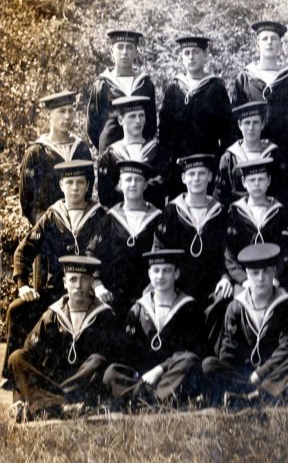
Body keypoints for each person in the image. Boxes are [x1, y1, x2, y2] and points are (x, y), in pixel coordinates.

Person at [5, 161, 105, 383]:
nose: (75, 188)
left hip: (86, 291)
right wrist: (23, 285)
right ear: (61, 185)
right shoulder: (52, 217)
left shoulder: (99, 216)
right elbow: (24, 250)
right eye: (70, 183)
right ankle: (12, 375)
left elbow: (107, 255)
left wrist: (98, 283)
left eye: (80, 182)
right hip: (54, 292)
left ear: (88, 185)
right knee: (18, 309)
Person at [8, 256, 117, 421]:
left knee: (98, 361)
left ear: (91, 282)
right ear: (65, 283)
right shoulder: (52, 316)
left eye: (84, 280)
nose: (78, 286)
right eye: (73, 280)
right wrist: (21, 394)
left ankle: (45, 404)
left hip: (84, 383)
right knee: (16, 357)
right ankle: (61, 406)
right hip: (53, 379)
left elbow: (114, 358)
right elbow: (29, 353)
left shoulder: (104, 315)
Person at [202, 244, 288, 405]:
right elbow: (229, 349)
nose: (261, 278)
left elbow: (286, 347)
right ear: (247, 274)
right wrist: (233, 373)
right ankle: (260, 394)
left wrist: (261, 372)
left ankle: (253, 395)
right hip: (245, 374)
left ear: (274, 272)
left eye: (266, 271)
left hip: (273, 369)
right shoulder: (236, 307)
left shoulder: (286, 305)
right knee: (209, 364)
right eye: (255, 273)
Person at [103, 249, 205, 406]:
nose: (160, 276)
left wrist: (160, 369)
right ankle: (158, 399)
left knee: (190, 361)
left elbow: (191, 351)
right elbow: (128, 351)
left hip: (171, 373)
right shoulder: (138, 308)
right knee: (111, 373)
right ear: (149, 275)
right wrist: (139, 373)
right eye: (156, 271)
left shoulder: (189, 308)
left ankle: (144, 400)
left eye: (167, 271)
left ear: (176, 274)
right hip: (143, 375)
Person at [158, 35, 235, 192]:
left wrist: (219, 165)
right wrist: (168, 165)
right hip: (179, 169)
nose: (191, 57)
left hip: (208, 167)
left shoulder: (216, 89)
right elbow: (165, 133)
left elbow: (228, 133)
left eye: (196, 52)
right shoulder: (174, 89)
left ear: (205, 55)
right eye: (186, 53)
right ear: (181, 57)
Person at [88, 160, 163, 318]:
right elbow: (91, 254)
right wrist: (97, 285)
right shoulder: (109, 219)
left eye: (138, 179)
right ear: (120, 184)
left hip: (148, 296)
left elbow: (163, 257)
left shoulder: (158, 219)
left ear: (146, 184)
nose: (133, 184)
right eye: (128, 179)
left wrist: (154, 288)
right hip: (112, 297)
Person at [154, 154, 228, 309]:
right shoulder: (172, 211)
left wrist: (225, 277)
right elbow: (160, 250)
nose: (196, 179)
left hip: (212, 285)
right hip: (178, 284)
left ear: (210, 176)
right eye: (191, 174)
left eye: (201, 173)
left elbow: (227, 251)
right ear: (183, 178)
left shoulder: (220, 211)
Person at [231, 20, 288, 160]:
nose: (269, 42)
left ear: (280, 45)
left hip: (285, 152)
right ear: (257, 44)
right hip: (252, 155)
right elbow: (235, 123)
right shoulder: (245, 78)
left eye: (274, 38)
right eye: (265, 38)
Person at [221, 158, 288, 299]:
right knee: (237, 303)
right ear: (243, 183)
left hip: (274, 277)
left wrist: (275, 278)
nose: (256, 184)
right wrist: (244, 280)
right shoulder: (234, 212)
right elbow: (229, 254)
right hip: (246, 279)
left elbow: (287, 250)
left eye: (261, 179)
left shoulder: (281, 211)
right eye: (251, 180)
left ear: (269, 181)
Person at [19, 91, 93, 225]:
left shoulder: (81, 149)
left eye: (71, 111)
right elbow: (27, 203)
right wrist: (47, 226)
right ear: (49, 114)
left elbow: (88, 190)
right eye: (62, 111)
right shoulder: (36, 153)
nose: (67, 116)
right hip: (47, 229)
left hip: (80, 224)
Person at [87, 29, 157, 152]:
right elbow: (92, 126)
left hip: (140, 152)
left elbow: (151, 123)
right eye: (120, 47)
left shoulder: (145, 84)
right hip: (110, 153)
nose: (124, 52)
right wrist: (106, 145)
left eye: (129, 48)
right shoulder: (101, 84)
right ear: (111, 51)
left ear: (136, 52)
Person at [96, 96, 171, 209]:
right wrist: (145, 184)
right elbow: (105, 196)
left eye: (141, 115)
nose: (138, 121)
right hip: (120, 220)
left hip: (152, 218)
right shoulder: (110, 156)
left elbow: (164, 186)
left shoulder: (158, 152)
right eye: (132, 116)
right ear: (121, 120)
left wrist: (123, 187)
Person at [215, 101, 284, 207]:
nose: (251, 128)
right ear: (239, 125)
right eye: (247, 123)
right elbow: (221, 196)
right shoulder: (229, 159)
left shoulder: (274, 155)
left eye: (255, 122)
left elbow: (283, 193)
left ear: (263, 124)